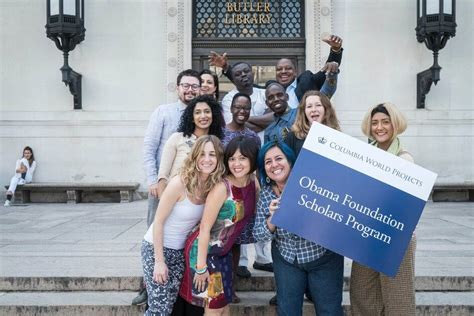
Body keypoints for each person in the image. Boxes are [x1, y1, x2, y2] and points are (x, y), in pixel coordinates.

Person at [254, 141, 344, 316]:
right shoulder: (266, 194)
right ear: (264, 169)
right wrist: (273, 218)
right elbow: (259, 235)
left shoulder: (312, 184)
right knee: (288, 312)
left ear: (290, 161)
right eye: (268, 162)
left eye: (279, 158)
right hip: (287, 259)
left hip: (323, 257)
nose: (274, 165)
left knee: (330, 311)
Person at [136, 69, 201, 305]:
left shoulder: (200, 115)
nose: (190, 90)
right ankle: (147, 285)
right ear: (178, 87)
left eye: (194, 86)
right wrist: (153, 180)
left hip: (189, 192)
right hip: (163, 188)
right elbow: (149, 147)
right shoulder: (163, 112)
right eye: (186, 85)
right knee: (155, 232)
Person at [141, 135, 226, 316]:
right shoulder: (180, 183)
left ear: (219, 159)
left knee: (169, 305)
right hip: (156, 248)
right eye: (202, 154)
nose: (207, 159)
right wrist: (159, 261)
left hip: (180, 252)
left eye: (212, 155)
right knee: (159, 308)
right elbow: (159, 222)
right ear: (194, 157)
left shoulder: (214, 186)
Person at [179, 136, 260, 313]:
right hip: (203, 252)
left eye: (242, 158)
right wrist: (200, 268)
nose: (236, 164)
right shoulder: (222, 187)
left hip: (223, 253)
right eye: (232, 159)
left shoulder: (253, 182)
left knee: (224, 307)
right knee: (214, 308)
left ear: (252, 159)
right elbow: (204, 229)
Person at [350, 103, 416, 316]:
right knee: (362, 293)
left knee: (398, 297)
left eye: (385, 122)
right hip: (367, 233)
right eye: (375, 122)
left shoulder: (404, 158)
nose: (379, 127)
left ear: (394, 124)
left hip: (395, 235)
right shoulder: (365, 154)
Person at [209, 34, 343, 108]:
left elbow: (328, 70)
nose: (283, 71)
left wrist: (335, 51)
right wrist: (226, 67)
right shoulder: (270, 88)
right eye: (279, 69)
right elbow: (246, 83)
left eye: (288, 68)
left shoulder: (307, 81)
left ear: (295, 72)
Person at [156, 95, 224, 198]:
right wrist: (163, 203)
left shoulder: (217, 143)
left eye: (207, 111)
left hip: (202, 203)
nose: (203, 116)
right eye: (197, 112)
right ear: (192, 117)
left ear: (213, 115)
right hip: (175, 201)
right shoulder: (177, 138)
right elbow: (163, 177)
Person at [285, 90, 341, 157]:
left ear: (325, 109)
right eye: (309, 106)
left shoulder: (337, 137)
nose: (313, 109)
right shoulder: (292, 137)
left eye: (318, 105)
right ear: (304, 112)